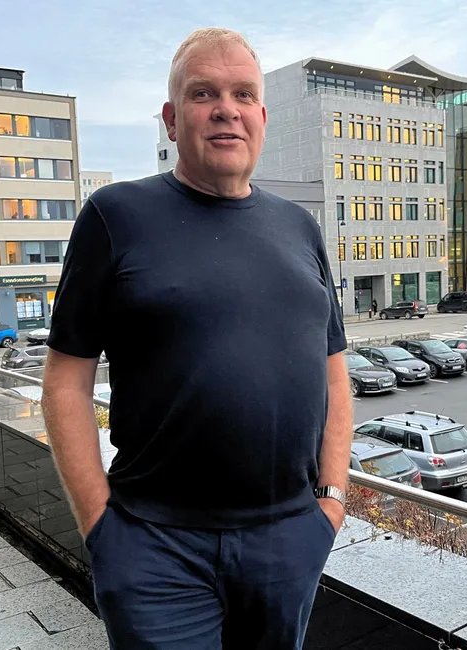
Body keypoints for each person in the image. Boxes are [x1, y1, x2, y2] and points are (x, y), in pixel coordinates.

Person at [41, 27, 352, 650]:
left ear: (262, 116)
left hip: (288, 539)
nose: (225, 109)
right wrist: (100, 526)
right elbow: (65, 382)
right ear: (171, 119)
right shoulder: (114, 216)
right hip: (156, 547)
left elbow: (334, 374)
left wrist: (330, 504)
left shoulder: (299, 228)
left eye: (243, 94)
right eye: (203, 92)